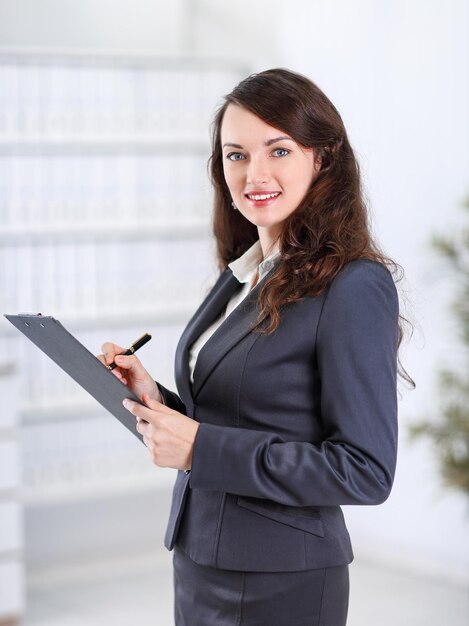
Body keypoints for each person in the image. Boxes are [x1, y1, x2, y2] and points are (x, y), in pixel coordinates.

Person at [99, 68, 404, 626]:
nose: (253, 173)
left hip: (279, 580)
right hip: (200, 557)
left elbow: (365, 470)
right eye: (235, 155)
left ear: (323, 159)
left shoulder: (354, 285)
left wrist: (201, 450)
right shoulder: (244, 273)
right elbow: (236, 412)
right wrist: (158, 400)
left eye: (278, 150)